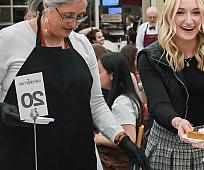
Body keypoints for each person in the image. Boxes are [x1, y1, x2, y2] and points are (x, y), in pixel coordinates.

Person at [0, 0, 148, 169]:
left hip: (77, 154)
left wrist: (121, 138)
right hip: (26, 155)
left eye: (80, 17)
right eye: (68, 16)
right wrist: (2, 108)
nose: (74, 24)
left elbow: (96, 103)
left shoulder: (82, 45)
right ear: (46, 6)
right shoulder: (8, 40)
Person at [137, 0, 204, 169]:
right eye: (180, 13)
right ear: (168, 16)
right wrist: (177, 121)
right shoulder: (151, 56)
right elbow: (159, 103)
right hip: (169, 146)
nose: (189, 20)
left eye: (196, 13)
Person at [95, 52, 144, 169]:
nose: (96, 76)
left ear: (111, 75)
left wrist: (99, 138)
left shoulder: (122, 103)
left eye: (99, 72)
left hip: (118, 163)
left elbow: (129, 139)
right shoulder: (124, 98)